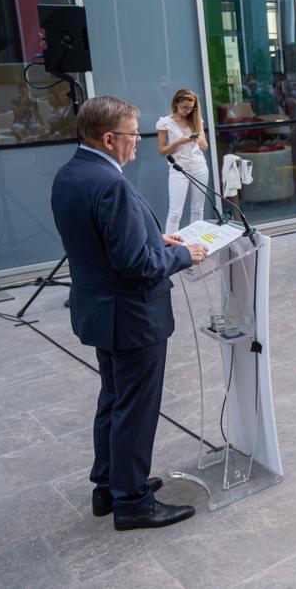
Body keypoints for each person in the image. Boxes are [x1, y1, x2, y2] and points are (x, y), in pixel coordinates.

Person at [51, 96, 208, 531]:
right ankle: (133, 500)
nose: (138, 142)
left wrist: (156, 239)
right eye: (132, 134)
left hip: (99, 311)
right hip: (132, 316)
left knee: (114, 400)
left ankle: (109, 484)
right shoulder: (112, 183)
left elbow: (103, 241)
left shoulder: (69, 174)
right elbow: (135, 265)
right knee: (136, 408)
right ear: (108, 138)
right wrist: (184, 256)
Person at [156, 89, 209, 235]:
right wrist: (179, 142)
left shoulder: (196, 120)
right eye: (184, 107)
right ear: (176, 104)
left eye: (191, 108)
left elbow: (204, 147)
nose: (188, 110)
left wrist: (200, 140)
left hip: (199, 167)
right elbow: (161, 151)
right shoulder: (165, 123)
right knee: (175, 212)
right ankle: (171, 246)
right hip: (178, 169)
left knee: (198, 209)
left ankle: (196, 240)